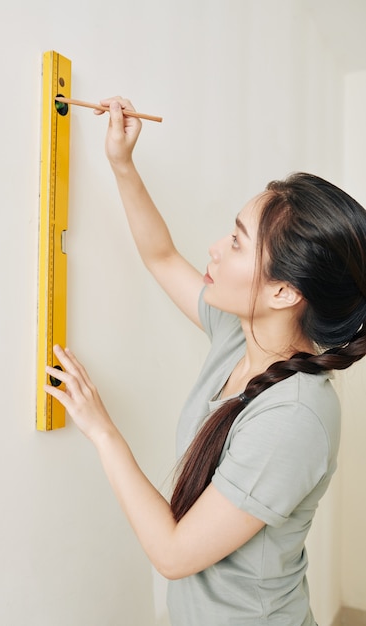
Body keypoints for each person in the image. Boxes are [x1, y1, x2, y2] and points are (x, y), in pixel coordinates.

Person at [45, 97, 366, 625]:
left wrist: (103, 432)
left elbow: (173, 554)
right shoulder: (240, 336)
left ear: (285, 291)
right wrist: (122, 164)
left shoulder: (296, 417)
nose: (216, 248)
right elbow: (161, 256)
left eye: (238, 243)